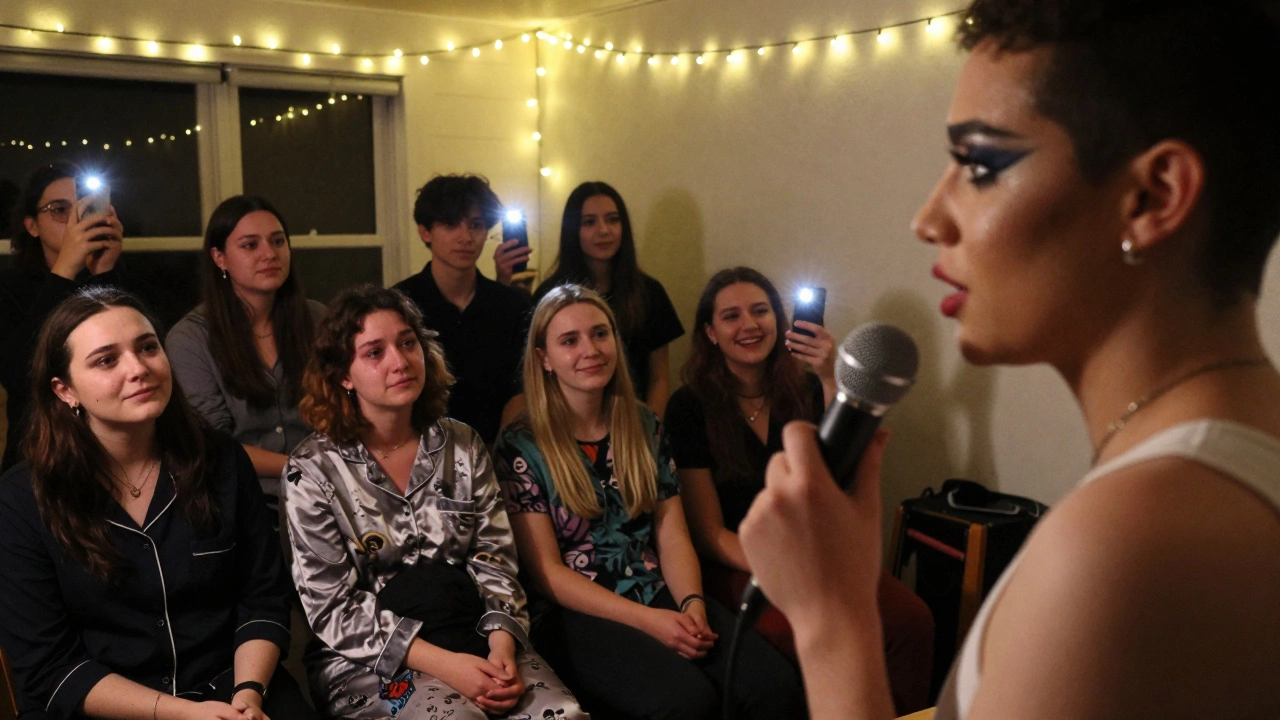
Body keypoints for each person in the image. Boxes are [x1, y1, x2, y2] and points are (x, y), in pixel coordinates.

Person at [737, 1, 1280, 718]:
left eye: (980, 164)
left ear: (1152, 197)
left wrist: (832, 621)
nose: (929, 218)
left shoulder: (1116, 553)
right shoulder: (1244, 446)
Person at [0, 287, 312, 720]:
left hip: (234, 688)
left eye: (148, 348)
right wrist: (183, 713)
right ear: (65, 389)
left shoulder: (222, 461)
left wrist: (248, 694)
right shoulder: (21, 500)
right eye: (107, 359)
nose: (139, 369)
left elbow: (262, 598)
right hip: (105, 707)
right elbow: (50, 668)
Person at [494, 284, 803, 720]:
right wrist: (649, 621)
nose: (591, 349)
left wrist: (691, 604)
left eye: (600, 334)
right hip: (578, 611)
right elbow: (547, 574)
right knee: (686, 702)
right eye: (570, 340)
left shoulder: (642, 423)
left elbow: (672, 535)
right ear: (544, 358)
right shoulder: (521, 444)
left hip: (654, 587)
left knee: (772, 685)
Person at [281, 285, 584, 720]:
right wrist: (448, 666)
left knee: (563, 715)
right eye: (374, 352)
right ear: (343, 375)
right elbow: (332, 608)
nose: (400, 361)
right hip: (366, 658)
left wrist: (501, 647)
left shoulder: (461, 444)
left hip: (472, 630)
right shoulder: (310, 470)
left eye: (408, 343)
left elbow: (495, 561)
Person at [664, 266, 935, 715]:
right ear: (711, 333)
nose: (749, 325)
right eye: (731, 316)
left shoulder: (805, 386)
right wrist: (778, 564)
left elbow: (838, 483)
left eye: (760, 311)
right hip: (736, 559)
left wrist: (831, 378)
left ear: (780, 320)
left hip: (814, 550)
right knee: (799, 633)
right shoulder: (689, 405)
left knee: (912, 621)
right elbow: (706, 530)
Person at [166, 196, 326, 510]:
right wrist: (304, 468)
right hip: (242, 502)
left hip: (325, 495)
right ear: (220, 258)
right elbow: (214, 447)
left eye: (278, 241)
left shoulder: (317, 319)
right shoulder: (191, 338)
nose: (269, 254)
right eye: (250, 245)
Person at [0, 161, 129, 471]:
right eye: (59, 209)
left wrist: (104, 272)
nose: (74, 220)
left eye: (84, 208)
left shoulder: (119, 280)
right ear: (32, 226)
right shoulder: (8, 288)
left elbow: (129, 359)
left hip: (115, 451)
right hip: (38, 455)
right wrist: (64, 270)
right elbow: (21, 376)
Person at [393, 174, 533, 446]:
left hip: (499, 451)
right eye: (450, 224)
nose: (466, 236)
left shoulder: (512, 306)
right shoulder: (399, 304)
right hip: (418, 452)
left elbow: (522, 391)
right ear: (425, 232)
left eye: (476, 225)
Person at [534, 182, 684, 416]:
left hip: (634, 422)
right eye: (590, 222)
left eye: (613, 219)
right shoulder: (551, 294)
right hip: (566, 423)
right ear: (573, 230)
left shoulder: (649, 292)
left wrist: (652, 430)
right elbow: (539, 376)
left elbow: (659, 378)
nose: (604, 230)